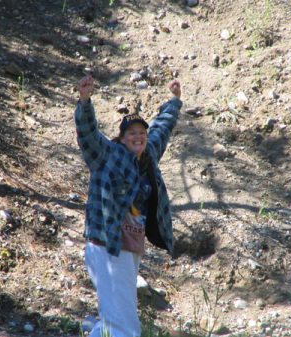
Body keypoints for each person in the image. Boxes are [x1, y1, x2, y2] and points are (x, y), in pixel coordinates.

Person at [74, 75, 182, 337]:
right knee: (125, 326)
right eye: (132, 133)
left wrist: (175, 102)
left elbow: (162, 129)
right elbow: (88, 133)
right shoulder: (106, 154)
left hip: (129, 247)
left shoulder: (148, 155)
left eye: (141, 133)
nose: (139, 137)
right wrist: (85, 101)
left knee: (114, 317)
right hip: (108, 246)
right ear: (121, 138)